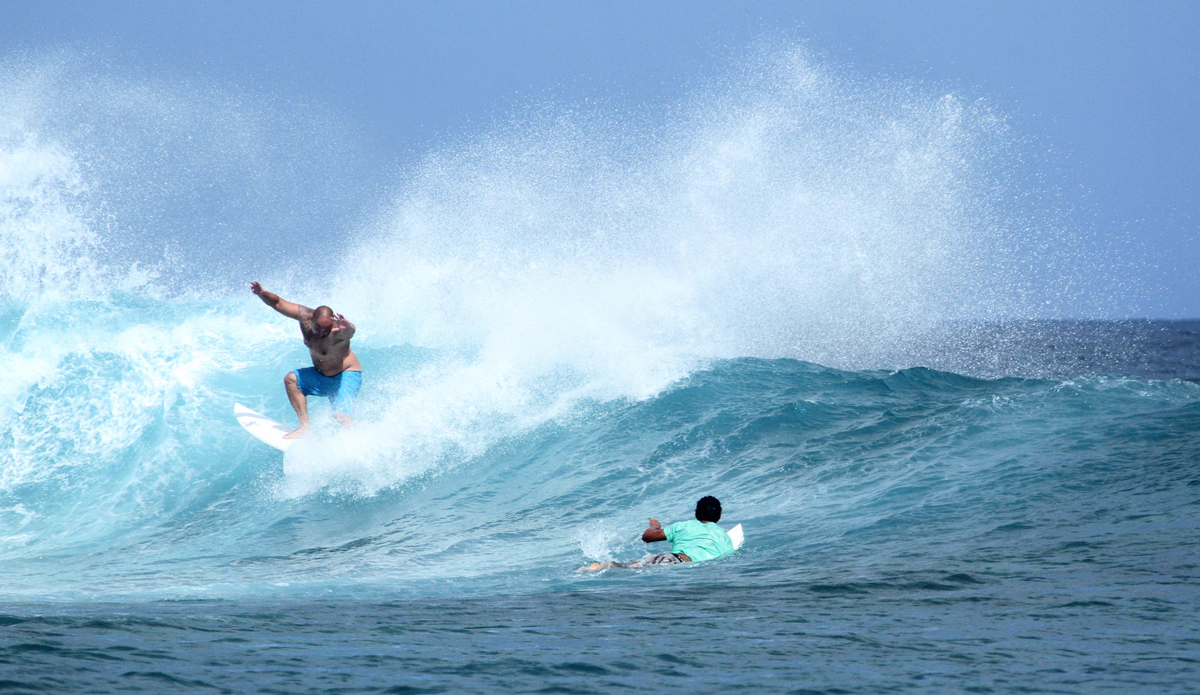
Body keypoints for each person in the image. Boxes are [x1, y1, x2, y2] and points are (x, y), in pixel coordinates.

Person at [250, 281, 361, 438]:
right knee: (291, 379)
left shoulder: (338, 332)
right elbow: (278, 303)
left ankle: (359, 442)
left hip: (345, 376)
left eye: (325, 330)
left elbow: (350, 332)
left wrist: (348, 326)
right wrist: (262, 294)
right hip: (321, 376)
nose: (321, 333)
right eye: (318, 329)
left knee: (340, 415)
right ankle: (305, 427)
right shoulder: (304, 316)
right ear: (312, 318)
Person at [580, 496, 735, 571]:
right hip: (682, 565)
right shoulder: (725, 538)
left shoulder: (684, 526)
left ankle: (599, 566)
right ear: (720, 516)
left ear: (696, 514)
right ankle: (602, 566)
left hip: (668, 558)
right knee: (637, 568)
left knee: (634, 565)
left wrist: (655, 525)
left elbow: (648, 537)